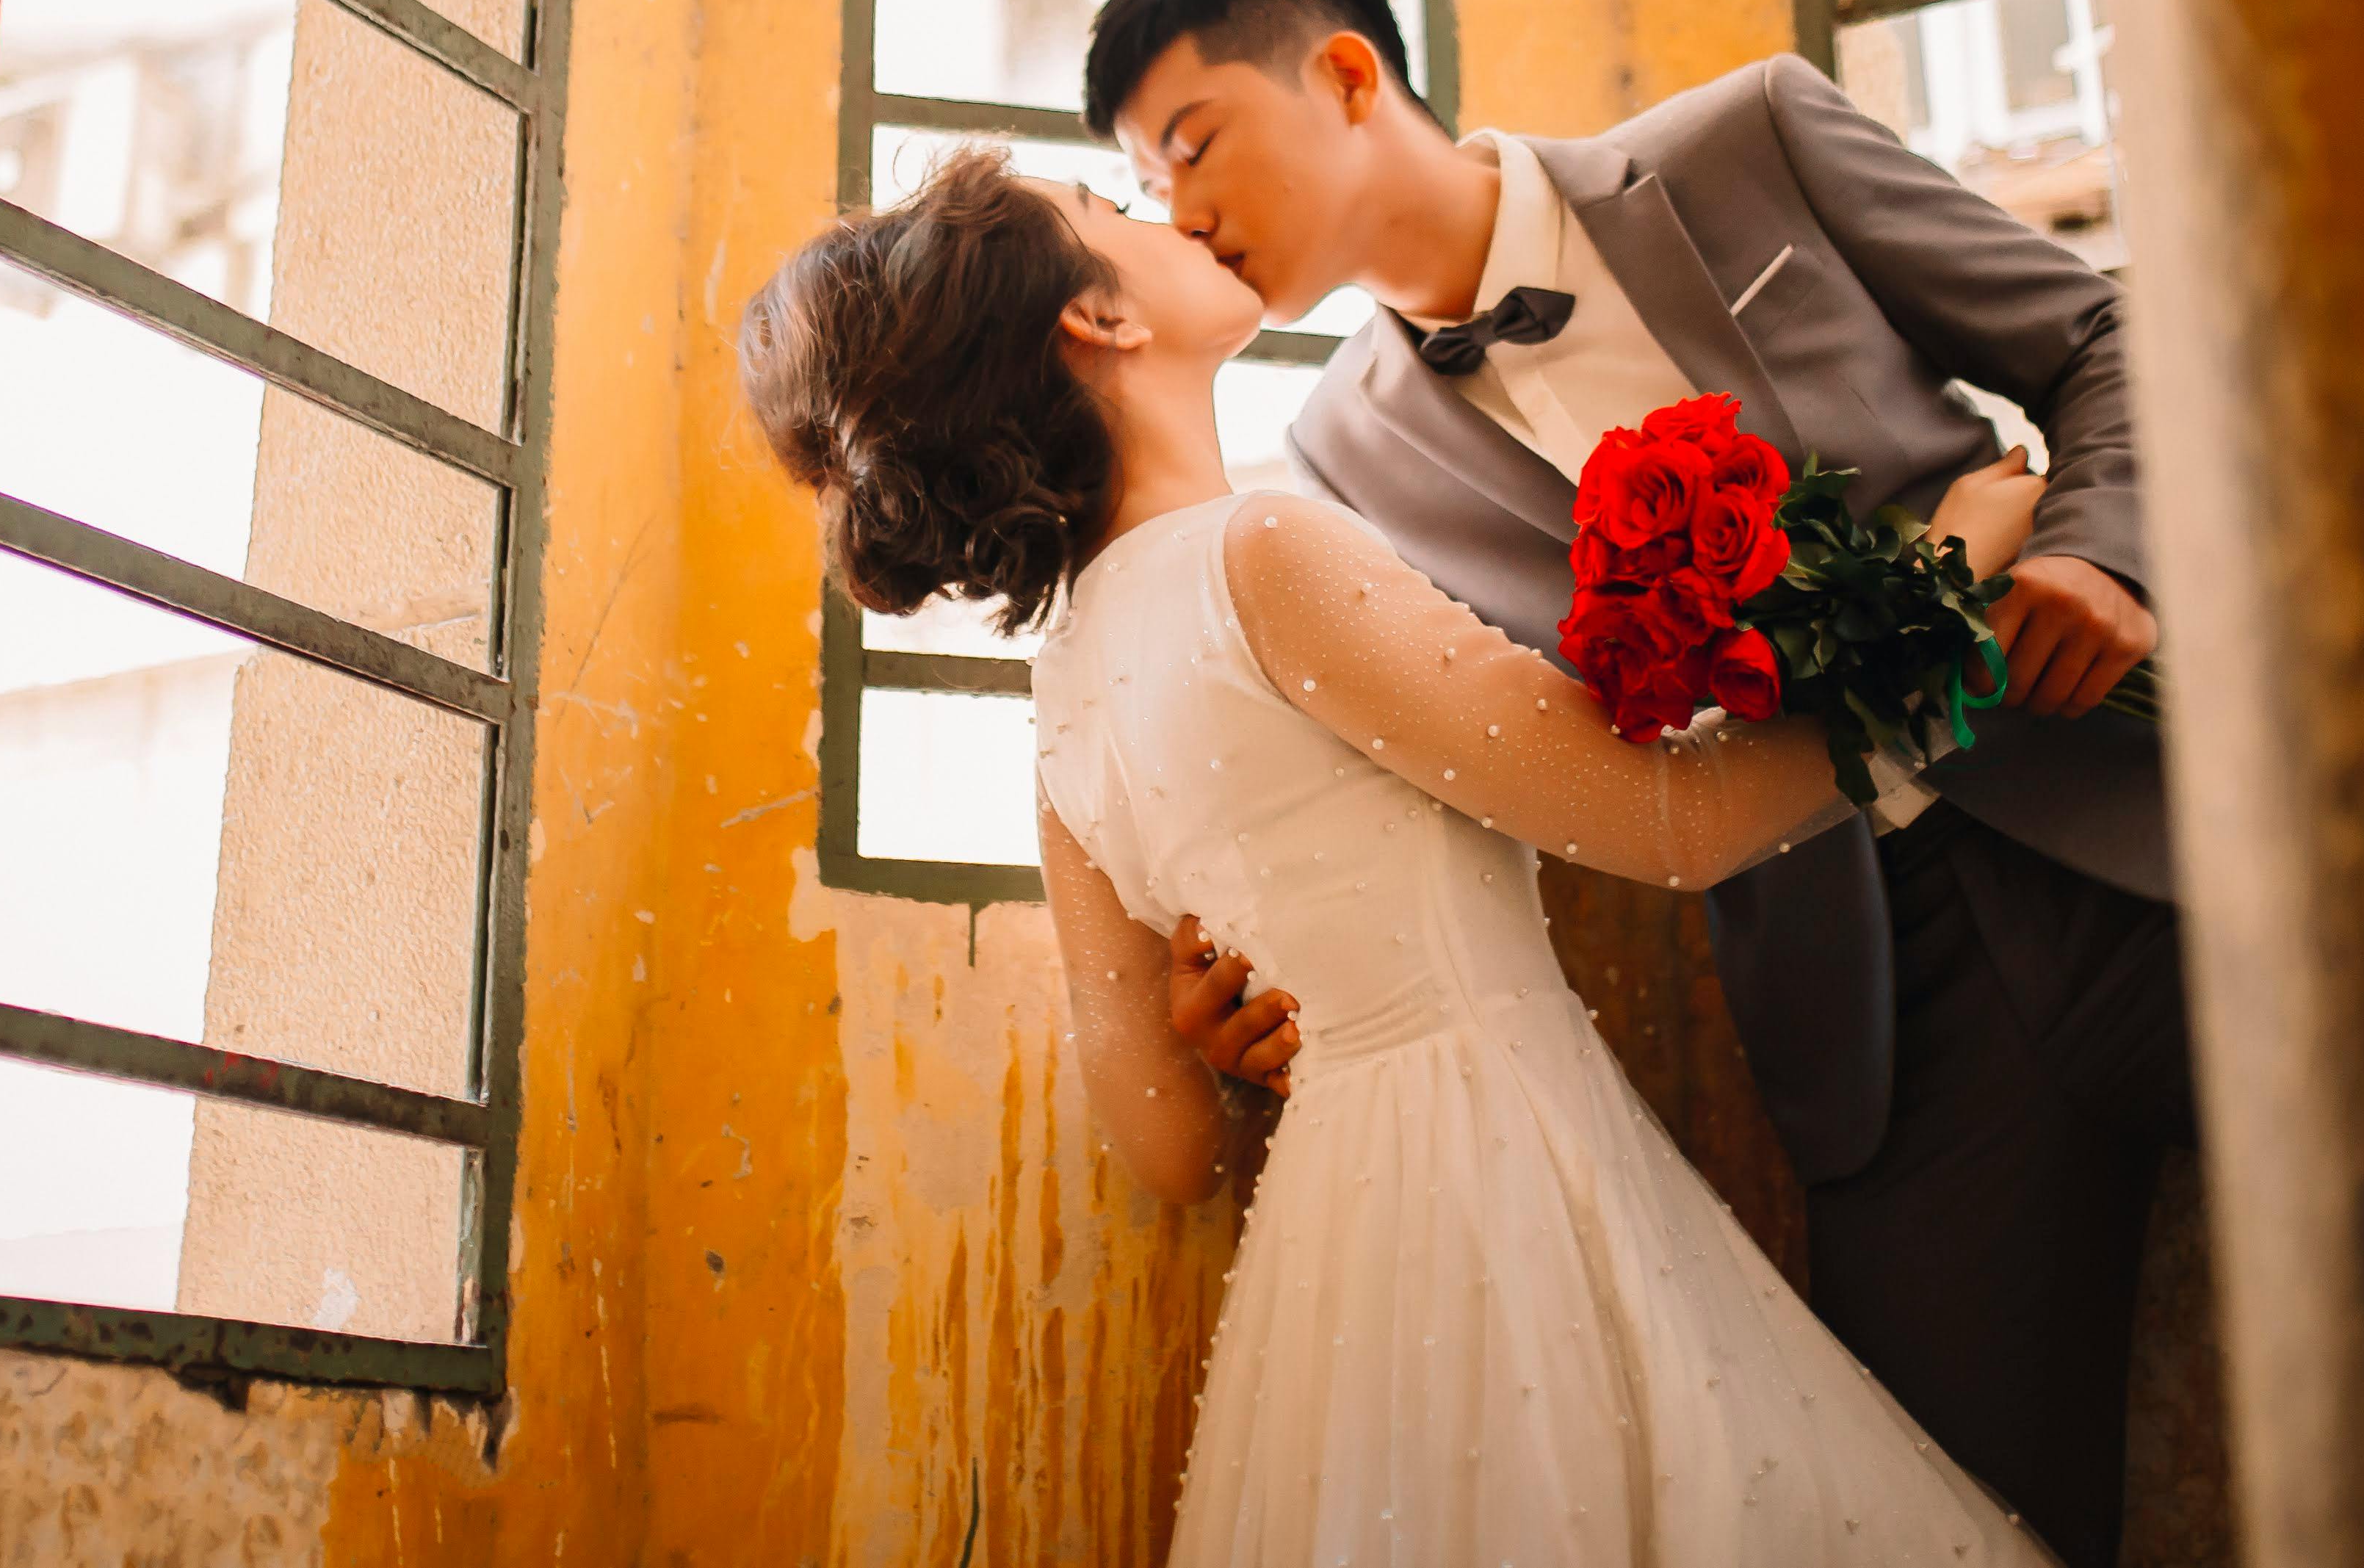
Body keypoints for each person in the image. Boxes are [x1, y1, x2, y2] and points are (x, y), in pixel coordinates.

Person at [740, 146, 2058, 1566]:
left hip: (1332, 1256)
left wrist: (1209, 1033)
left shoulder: (1061, 707)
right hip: (1494, 1178)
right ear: (1098, 319)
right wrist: (1946, 592)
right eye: (1115, 210)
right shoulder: (1264, 552)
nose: (1167, 210)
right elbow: (1673, 825)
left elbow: (1167, 1143)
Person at [1080, 0, 2194, 1568]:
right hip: (1881, 1006)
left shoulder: (1748, 141)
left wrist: (2101, 548)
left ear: (1342, 70)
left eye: (1189, 146)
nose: (1181, 214)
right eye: (1146, 187)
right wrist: (1250, 966)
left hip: (2139, 821)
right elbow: (1454, 774)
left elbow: (2104, 340)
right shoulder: (1328, 477)